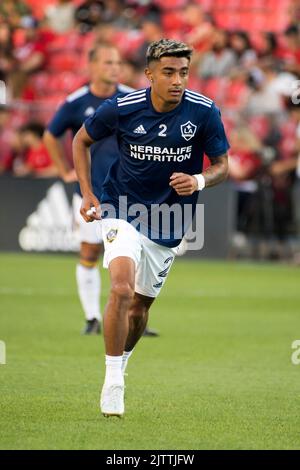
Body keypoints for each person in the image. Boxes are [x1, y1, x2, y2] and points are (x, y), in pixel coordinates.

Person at [73, 39, 229, 417]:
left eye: (184, 72)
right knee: (121, 286)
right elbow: (81, 140)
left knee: (140, 307)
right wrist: (88, 193)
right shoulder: (122, 108)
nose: (178, 80)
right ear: (149, 74)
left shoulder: (204, 112)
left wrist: (199, 181)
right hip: (120, 207)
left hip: (169, 220)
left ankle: (122, 361)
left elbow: (223, 164)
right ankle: (113, 381)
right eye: (169, 72)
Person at [44, 42, 158, 337]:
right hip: (91, 192)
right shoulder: (76, 101)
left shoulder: (131, 98)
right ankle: (93, 317)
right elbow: (50, 135)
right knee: (89, 251)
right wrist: (63, 169)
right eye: (108, 62)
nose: (114, 68)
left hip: (129, 192)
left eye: (117, 63)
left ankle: (134, 314)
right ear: (92, 65)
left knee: (135, 255)